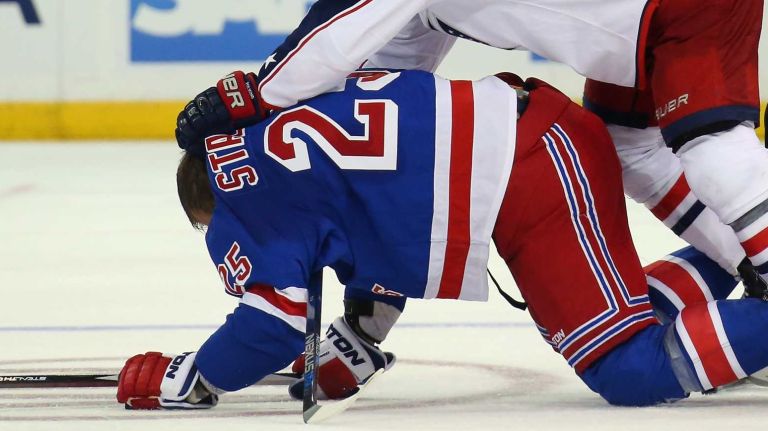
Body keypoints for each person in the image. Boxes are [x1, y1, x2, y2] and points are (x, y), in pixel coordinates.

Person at [119, 69, 768, 410]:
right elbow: (381, 215)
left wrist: (197, 375)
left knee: (628, 367)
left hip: (529, 176)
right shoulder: (281, 143)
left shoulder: (238, 194)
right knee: (628, 322)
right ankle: (737, 266)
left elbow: (274, 322)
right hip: (537, 146)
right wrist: (362, 334)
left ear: (208, 202)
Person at [173, 0, 768, 293]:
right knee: (633, 150)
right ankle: (748, 267)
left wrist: (253, 94)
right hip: (635, 28)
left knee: (713, 147)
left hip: (671, 11)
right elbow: (379, 80)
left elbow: (334, 41)